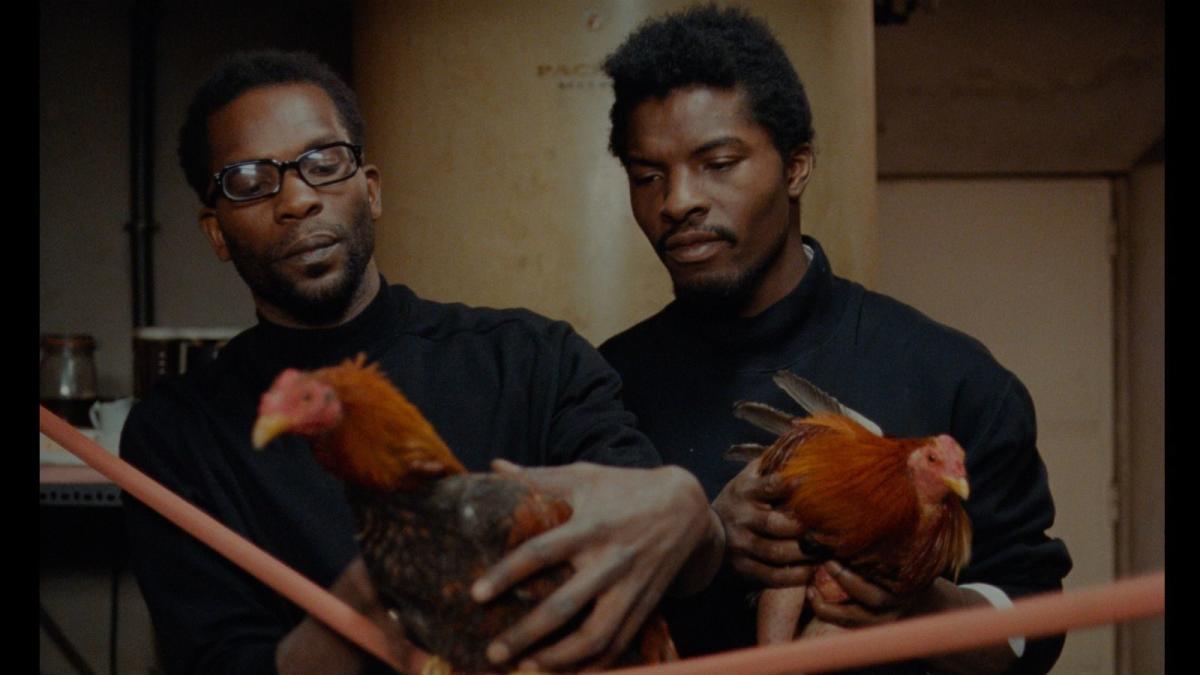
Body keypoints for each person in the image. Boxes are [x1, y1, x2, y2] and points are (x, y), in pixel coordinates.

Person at [120, 50, 723, 675]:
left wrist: (689, 512)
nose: (297, 199)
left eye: (324, 163)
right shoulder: (176, 437)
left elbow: (658, 550)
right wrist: (368, 605)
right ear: (217, 232)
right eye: (249, 181)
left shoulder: (534, 360)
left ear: (371, 190)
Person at [596, 6, 1073, 674]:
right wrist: (704, 540)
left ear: (796, 167)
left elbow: (1033, 627)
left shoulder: (954, 377)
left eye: (718, 163)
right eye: (647, 176)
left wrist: (916, 603)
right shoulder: (601, 388)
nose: (676, 201)